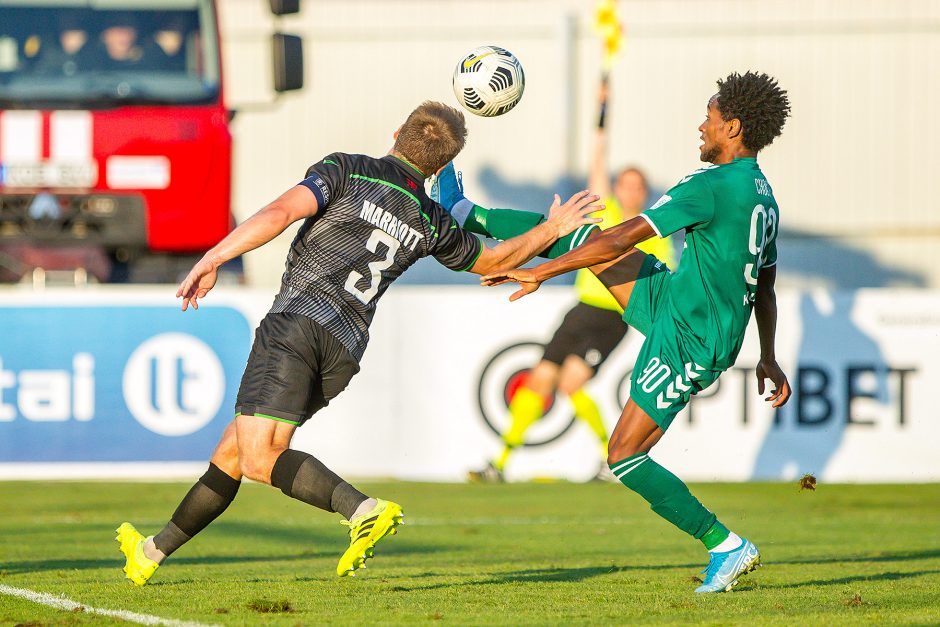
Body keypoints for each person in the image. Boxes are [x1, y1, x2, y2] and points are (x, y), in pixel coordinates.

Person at [115, 101, 602, 586]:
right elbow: (496, 261)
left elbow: (282, 212)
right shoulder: (432, 218)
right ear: (437, 168)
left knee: (260, 457)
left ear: (396, 131)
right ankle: (151, 552)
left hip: (297, 324)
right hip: (342, 352)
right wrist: (553, 228)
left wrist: (215, 256)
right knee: (234, 452)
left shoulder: (346, 170)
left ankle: (362, 509)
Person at [481, 71, 793, 593]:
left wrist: (540, 272)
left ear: (733, 127)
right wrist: (768, 354)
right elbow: (765, 285)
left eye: (710, 119)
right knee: (576, 232)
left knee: (624, 454)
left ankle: (725, 544)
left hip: (691, 339)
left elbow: (625, 239)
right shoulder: (764, 195)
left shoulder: (712, 186)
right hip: (675, 302)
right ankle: (470, 214)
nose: (701, 126)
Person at [465, 78, 677, 483]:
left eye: (638, 185)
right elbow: (597, 160)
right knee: (541, 377)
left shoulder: (656, 232)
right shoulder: (605, 210)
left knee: (571, 382)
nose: (631, 189)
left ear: (644, 192)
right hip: (582, 310)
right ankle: (501, 463)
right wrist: (602, 113)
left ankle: (609, 460)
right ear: (617, 187)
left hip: (615, 316)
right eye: (625, 183)